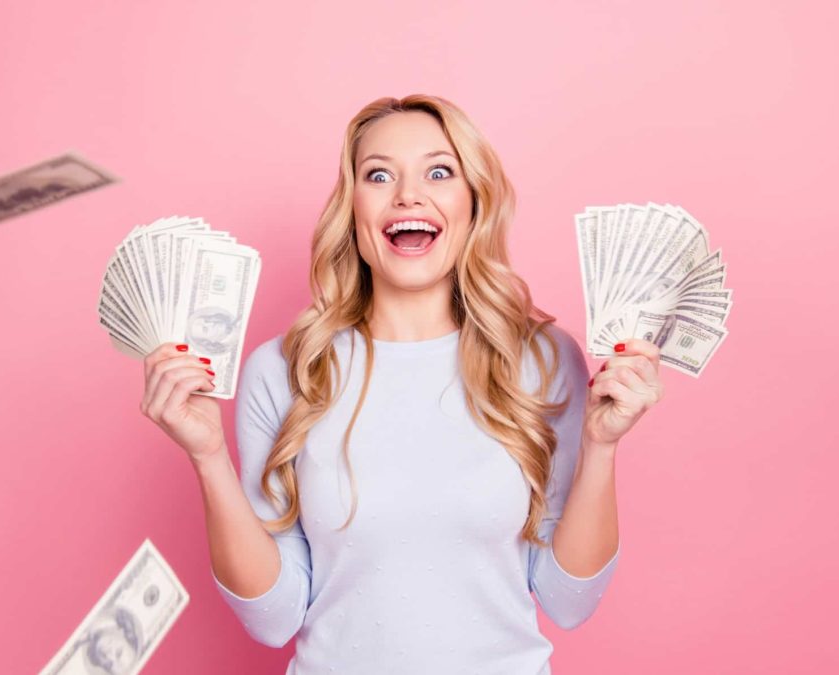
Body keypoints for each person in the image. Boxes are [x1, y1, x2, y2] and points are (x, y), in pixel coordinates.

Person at [139, 94, 665, 674]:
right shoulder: (285, 370)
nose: (407, 195)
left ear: (472, 204)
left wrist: (601, 446)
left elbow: (568, 602)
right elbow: (273, 618)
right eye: (379, 174)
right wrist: (208, 456)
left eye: (439, 172)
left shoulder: (541, 361)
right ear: (354, 209)